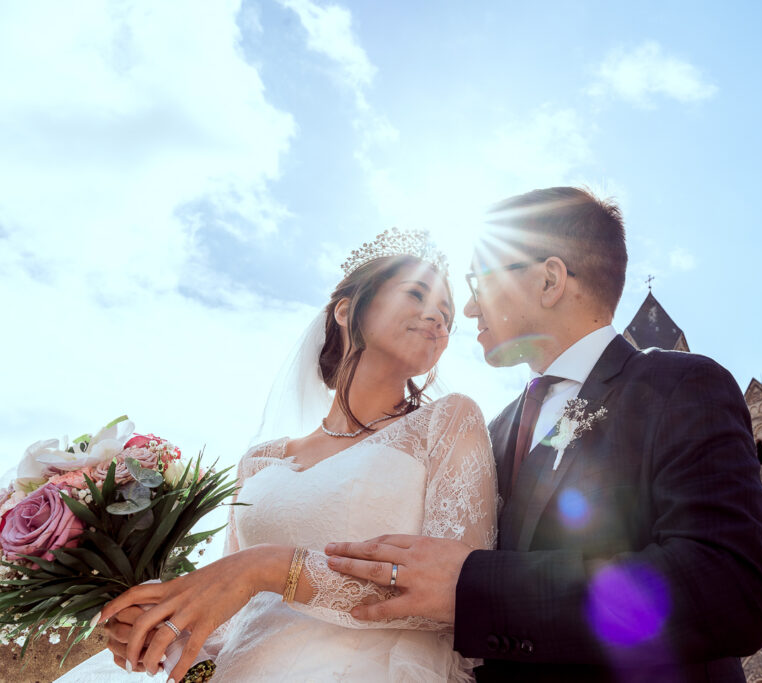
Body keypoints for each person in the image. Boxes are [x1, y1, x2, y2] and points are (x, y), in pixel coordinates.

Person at [324, 188, 762, 681]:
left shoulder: (681, 386)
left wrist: (475, 585)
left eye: (479, 282)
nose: (470, 309)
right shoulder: (488, 431)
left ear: (549, 280)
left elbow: (728, 589)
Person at [65, 230, 497, 682]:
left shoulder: (448, 422)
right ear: (346, 310)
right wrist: (166, 625)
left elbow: (456, 598)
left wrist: (271, 567)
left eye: (448, 315)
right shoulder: (260, 463)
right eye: (416, 293)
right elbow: (231, 618)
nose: (438, 319)